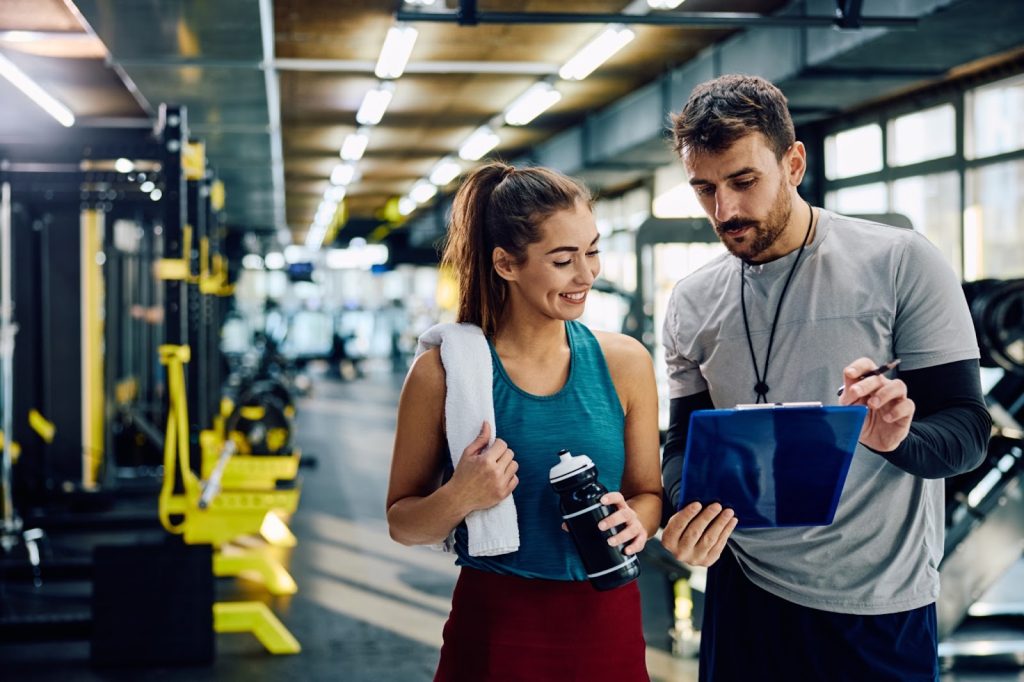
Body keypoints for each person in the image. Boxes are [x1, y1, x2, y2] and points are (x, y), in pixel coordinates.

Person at [658, 74, 991, 681]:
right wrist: (685, 512)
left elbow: (969, 431)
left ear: (793, 162)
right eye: (704, 189)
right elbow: (682, 442)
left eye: (743, 181)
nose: (725, 210)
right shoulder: (691, 300)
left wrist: (899, 441)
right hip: (744, 590)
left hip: (875, 603)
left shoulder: (899, 262)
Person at [386, 162, 662, 681]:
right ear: (506, 264)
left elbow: (648, 494)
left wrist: (636, 522)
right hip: (495, 626)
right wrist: (460, 496)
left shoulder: (626, 363)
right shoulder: (444, 373)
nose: (587, 275)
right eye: (563, 260)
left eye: (593, 251)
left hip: (607, 621)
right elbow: (402, 522)